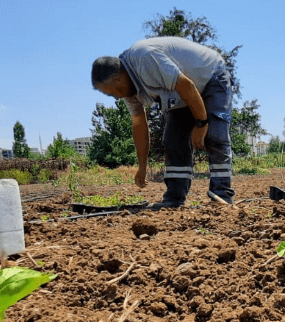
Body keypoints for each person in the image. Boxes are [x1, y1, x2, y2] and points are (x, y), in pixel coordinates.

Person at [91, 36, 235, 208]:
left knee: (215, 135)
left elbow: (187, 86)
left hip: (210, 75)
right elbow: (139, 126)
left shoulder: (145, 58)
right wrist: (142, 167)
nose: (114, 97)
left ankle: (221, 196)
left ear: (118, 80)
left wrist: (201, 124)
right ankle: (174, 199)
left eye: (111, 93)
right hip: (183, 91)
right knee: (173, 141)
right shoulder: (129, 90)